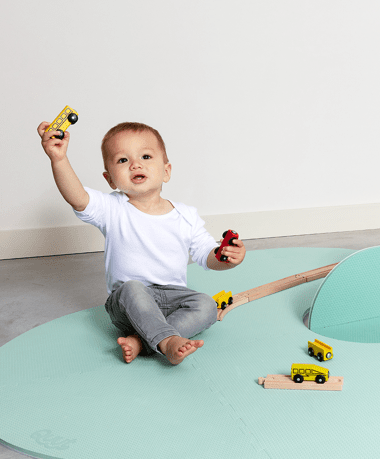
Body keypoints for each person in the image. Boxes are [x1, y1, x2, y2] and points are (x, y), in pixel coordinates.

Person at [37, 120, 246, 365]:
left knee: (207, 305)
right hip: (128, 304)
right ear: (110, 179)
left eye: (146, 156)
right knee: (133, 288)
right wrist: (58, 158)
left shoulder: (186, 215)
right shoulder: (112, 209)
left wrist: (227, 258)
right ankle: (167, 342)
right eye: (122, 160)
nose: (135, 164)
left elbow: (207, 255)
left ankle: (140, 340)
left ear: (166, 171)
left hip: (173, 299)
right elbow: (78, 197)